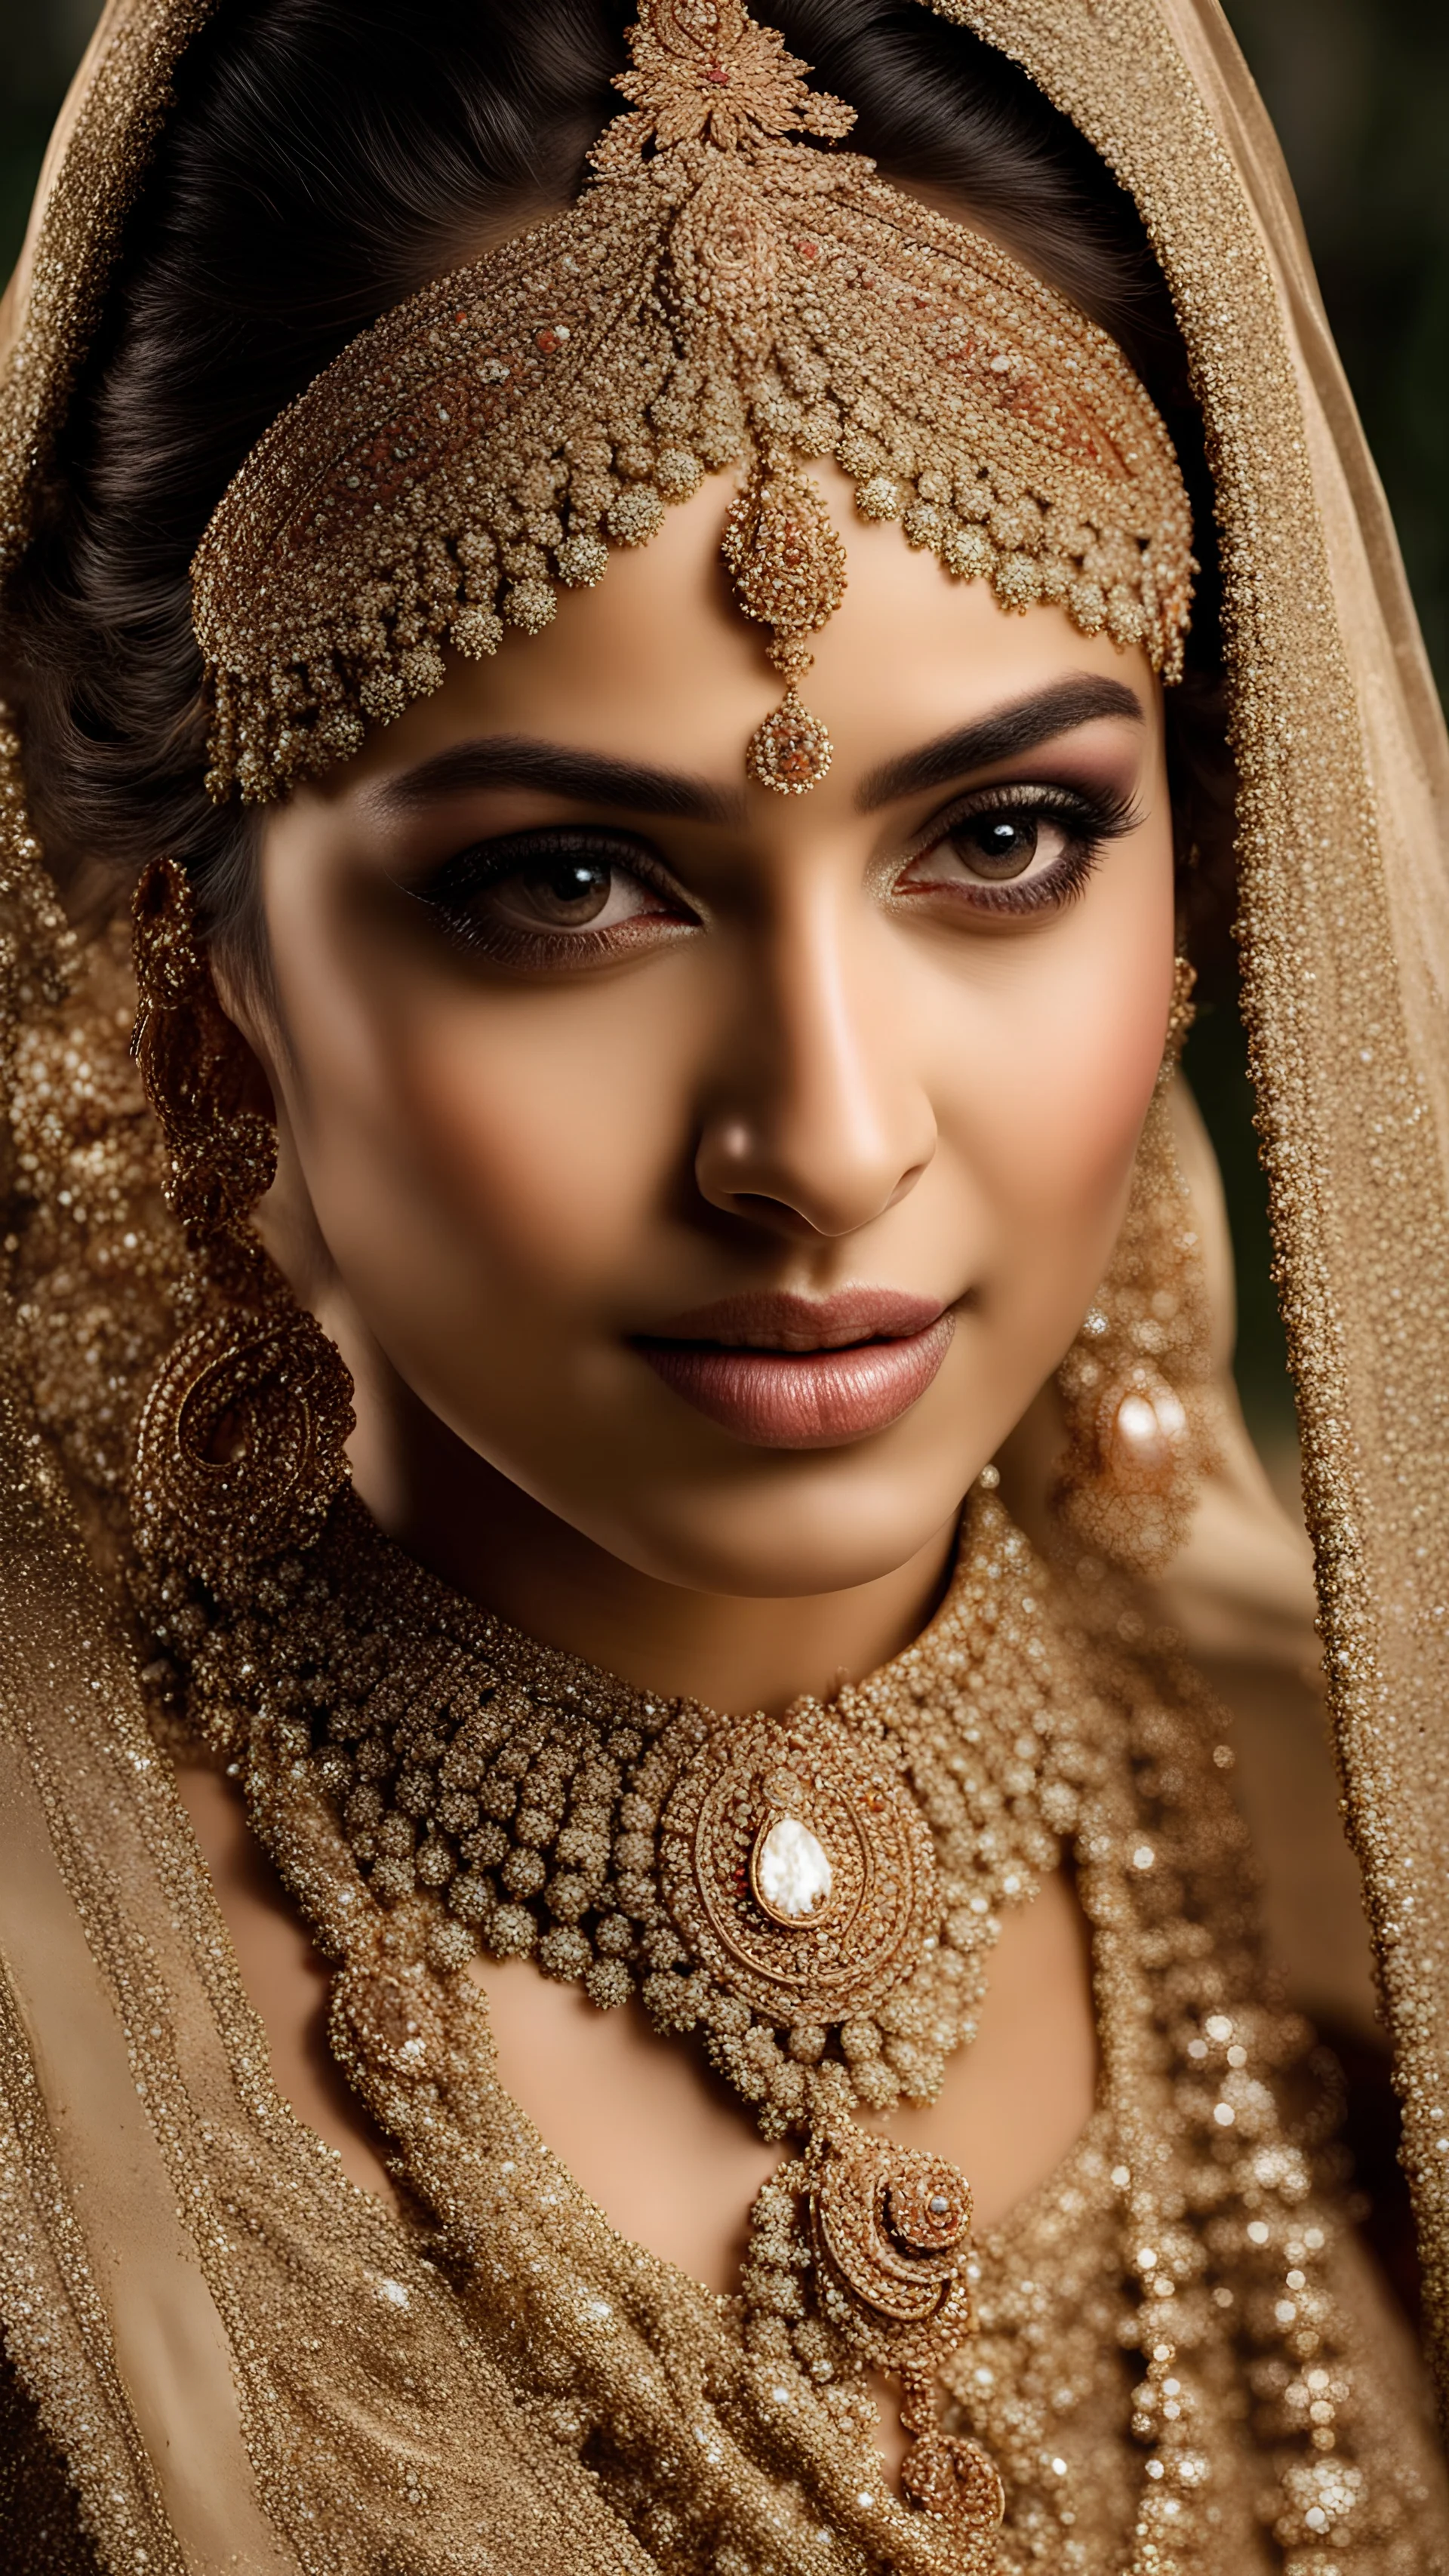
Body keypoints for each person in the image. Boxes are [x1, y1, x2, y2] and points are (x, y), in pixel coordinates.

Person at [0, 0, 1446, 2565]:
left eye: (1003, 836)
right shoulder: (54, 2037)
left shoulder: (1363, 1828)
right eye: (565, 883)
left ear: (1213, 864)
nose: (829, 1137)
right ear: (192, 948)